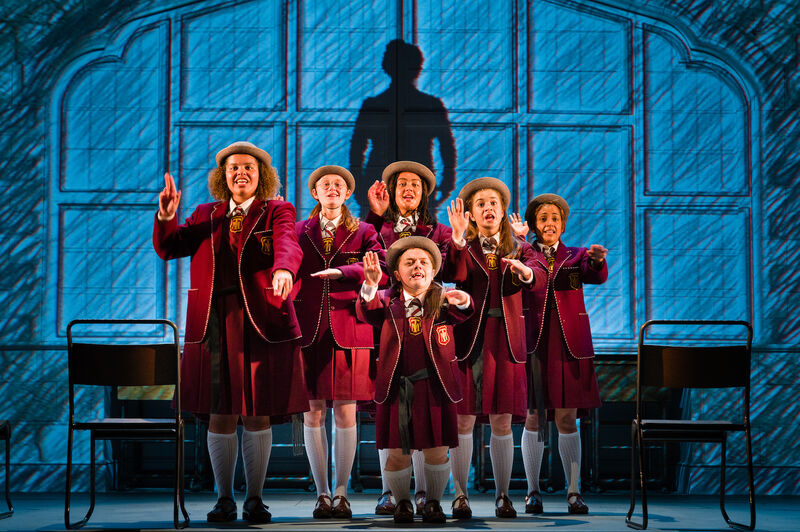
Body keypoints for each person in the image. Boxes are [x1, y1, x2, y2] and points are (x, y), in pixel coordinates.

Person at [153, 141, 308, 524]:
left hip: (260, 322)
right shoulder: (206, 214)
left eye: (249, 168)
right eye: (233, 168)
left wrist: (284, 269)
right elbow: (170, 247)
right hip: (213, 323)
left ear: (262, 176)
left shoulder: (277, 210)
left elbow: (288, 242)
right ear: (223, 176)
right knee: (219, 414)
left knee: (257, 414)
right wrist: (166, 216)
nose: (241, 173)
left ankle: (255, 499)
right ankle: (223, 499)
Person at [444, 178, 545, 519]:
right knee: (463, 421)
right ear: (470, 213)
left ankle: (503, 495)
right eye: (481, 203)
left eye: (494, 203)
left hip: (506, 341)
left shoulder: (519, 246)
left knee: (502, 421)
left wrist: (526, 274)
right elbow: (450, 272)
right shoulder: (461, 243)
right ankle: (460, 495)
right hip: (470, 340)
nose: (488, 208)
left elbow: (538, 273)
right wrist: (457, 237)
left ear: (503, 212)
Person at [356, 237, 473, 524]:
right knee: (396, 454)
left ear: (433, 272)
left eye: (424, 262)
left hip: (435, 389)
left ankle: (433, 502)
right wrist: (370, 285)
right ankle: (403, 503)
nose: (417, 267)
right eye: (409, 263)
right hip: (398, 390)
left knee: (437, 452)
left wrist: (465, 298)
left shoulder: (442, 302)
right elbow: (365, 311)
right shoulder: (386, 301)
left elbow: (465, 310)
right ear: (397, 274)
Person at [293, 165, 386, 519]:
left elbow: (379, 266)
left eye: (339, 185)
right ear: (314, 193)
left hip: (351, 327)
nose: (332, 189)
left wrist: (344, 272)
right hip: (309, 329)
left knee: (347, 412)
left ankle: (343, 492)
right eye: (324, 185)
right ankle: (321, 493)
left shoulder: (363, 230)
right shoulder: (300, 230)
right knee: (313, 412)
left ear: (348, 193)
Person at [511, 193, 607, 515]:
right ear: (535, 226)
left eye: (555, 218)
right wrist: (518, 244)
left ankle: (574, 491)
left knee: (567, 417)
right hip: (534, 345)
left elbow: (595, 273)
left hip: (568, 347)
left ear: (563, 223)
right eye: (543, 219)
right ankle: (532, 491)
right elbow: (515, 279)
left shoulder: (576, 255)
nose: (549, 223)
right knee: (533, 417)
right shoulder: (524, 253)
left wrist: (595, 260)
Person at [365, 160, 452, 515]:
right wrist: (374, 217)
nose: (409, 188)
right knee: (390, 414)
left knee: (426, 416)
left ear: (424, 192)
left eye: (416, 184)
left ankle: (425, 495)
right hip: (386, 324)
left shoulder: (439, 232)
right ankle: (391, 492)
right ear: (391, 190)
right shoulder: (377, 228)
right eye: (401, 183)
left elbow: (452, 269)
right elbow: (366, 257)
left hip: (428, 322)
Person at [350, 39, 456, 216]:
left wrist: (359, 187)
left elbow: (357, 150)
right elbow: (446, 147)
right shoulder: (431, 104)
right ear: (417, 69)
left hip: (379, 182)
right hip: (418, 184)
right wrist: (447, 184)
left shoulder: (373, 104)